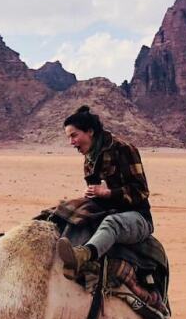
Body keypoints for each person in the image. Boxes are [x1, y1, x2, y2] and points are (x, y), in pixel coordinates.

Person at [57, 105, 154, 279]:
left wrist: (108, 193)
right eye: (69, 137)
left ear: (90, 132)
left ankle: (83, 256)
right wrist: (92, 194)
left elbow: (141, 191)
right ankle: (3, 239)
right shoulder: (90, 157)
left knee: (112, 223)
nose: (71, 142)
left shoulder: (123, 149)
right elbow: (99, 192)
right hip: (105, 210)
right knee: (65, 210)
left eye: (74, 135)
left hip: (136, 216)